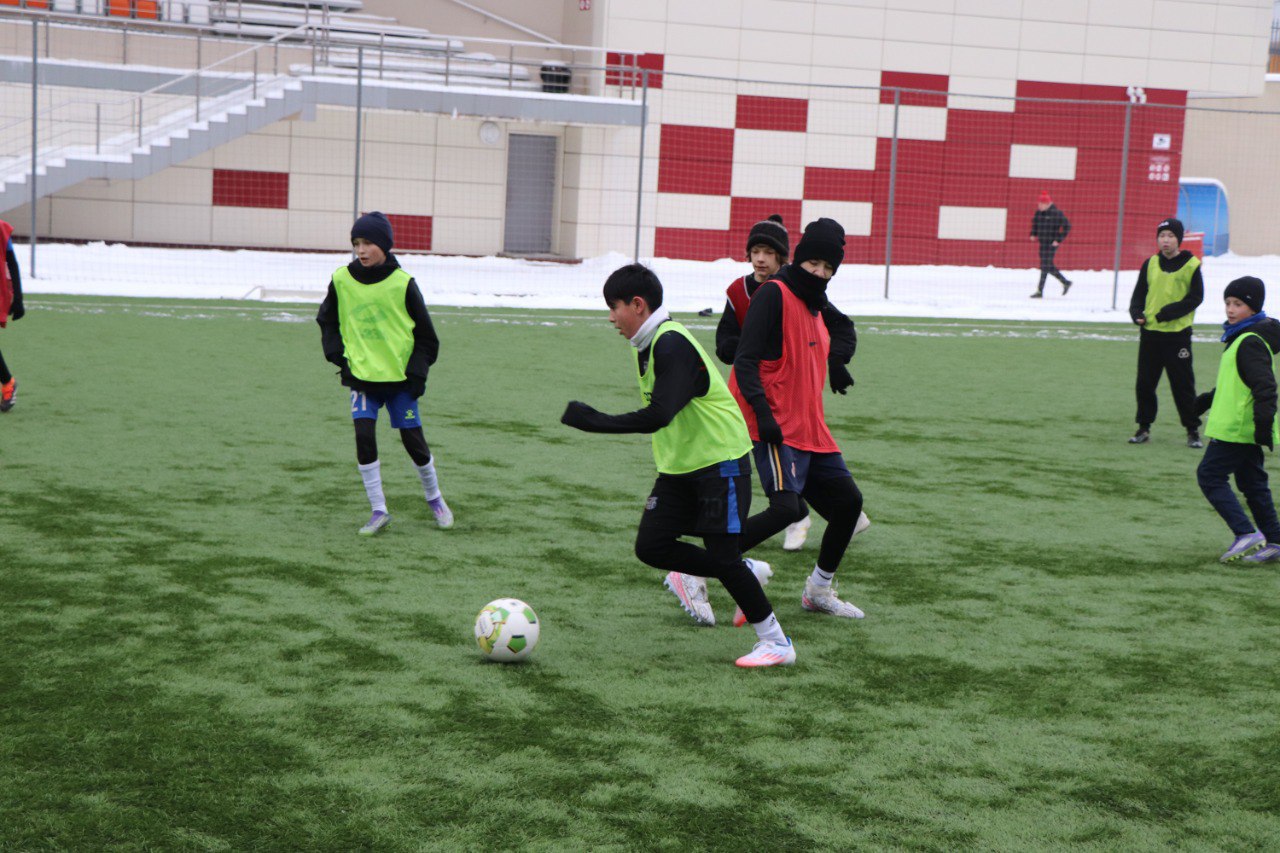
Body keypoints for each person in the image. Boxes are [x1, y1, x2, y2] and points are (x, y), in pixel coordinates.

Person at [560, 263, 795, 667]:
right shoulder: (648, 344)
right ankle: (743, 573)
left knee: (722, 555)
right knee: (652, 546)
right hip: (682, 467)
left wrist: (593, 420)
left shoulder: (670, 344)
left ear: (637, 304)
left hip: (719, 461)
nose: (611, 317)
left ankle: (776, 642)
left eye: (613, 307)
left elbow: (660, 414)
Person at [728, 217, 868, 623]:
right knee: (787, 508)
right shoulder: (774, 294)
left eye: (829, 269)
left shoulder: (816, 300)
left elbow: (841, 330)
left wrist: (837, 362)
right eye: (814, 264)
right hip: (773, 424)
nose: (820, 274)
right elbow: (745, 360)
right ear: (800, 259)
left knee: (848, 505)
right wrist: (764, 414)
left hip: (810, 428)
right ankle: (693, 567)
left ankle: (818, 591)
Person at [316, 211, 453, 536]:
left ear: (385, 245)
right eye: (356, 244)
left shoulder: (403, 283)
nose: (361, 250)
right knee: (363, 437)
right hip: (362, 379)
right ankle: (378, 509)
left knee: (413, 442)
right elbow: (327, 320)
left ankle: (435, 499)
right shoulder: (341, 280)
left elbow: (426, 337)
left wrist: (417, 376)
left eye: (368, 243)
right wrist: (340, 358)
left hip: (400, 381)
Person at [1193, 276, 1280, 563]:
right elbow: (1237, 384)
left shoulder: (1249, 341)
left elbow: (1264, 386)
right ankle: (1276, 541)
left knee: (1209, 475)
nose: (1230, 309)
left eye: (1238, 304)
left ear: (1253, 309)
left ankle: (1245, 533)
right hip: (1243, 426)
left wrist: (1264, 423)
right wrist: (1207, 401)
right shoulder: (1240, 337)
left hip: (1238, 428)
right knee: (1253, 484)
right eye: (1228, 303)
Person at [1127, 217, 1205, 447]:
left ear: (1178, 239)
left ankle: (1192, 431)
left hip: (1178, 335)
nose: (1166, 240)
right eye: (1162, 236)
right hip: (1151, 334)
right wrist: (1136, 312)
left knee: (1182, 384)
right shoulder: (1149, 263)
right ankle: (1143, 427)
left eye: (1170, 236)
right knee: (1145, 383)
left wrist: (1168, 312)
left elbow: (1196, 298)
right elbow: (1139, 294)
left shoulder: (1192, 265)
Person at [0, 218, 24, 413]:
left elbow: (12, 263)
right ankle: (8, 383)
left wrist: (19, 298)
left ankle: (8, 383)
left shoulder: (1, 229)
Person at [1029, 190, 1072, 298]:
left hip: (1052, 244)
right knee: (1047, 266)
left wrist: (1058, 239)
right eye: (1038, 204)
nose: (1039, 206)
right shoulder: (1039, 213)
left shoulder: (1056, 213)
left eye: (1041, 204)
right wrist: (1033, 234)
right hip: (1042, 242)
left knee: (1045, 266)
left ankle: (1040, 291)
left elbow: (1067, 226)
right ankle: (1066, 282)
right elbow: (1035, 224)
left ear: (1047, 204)